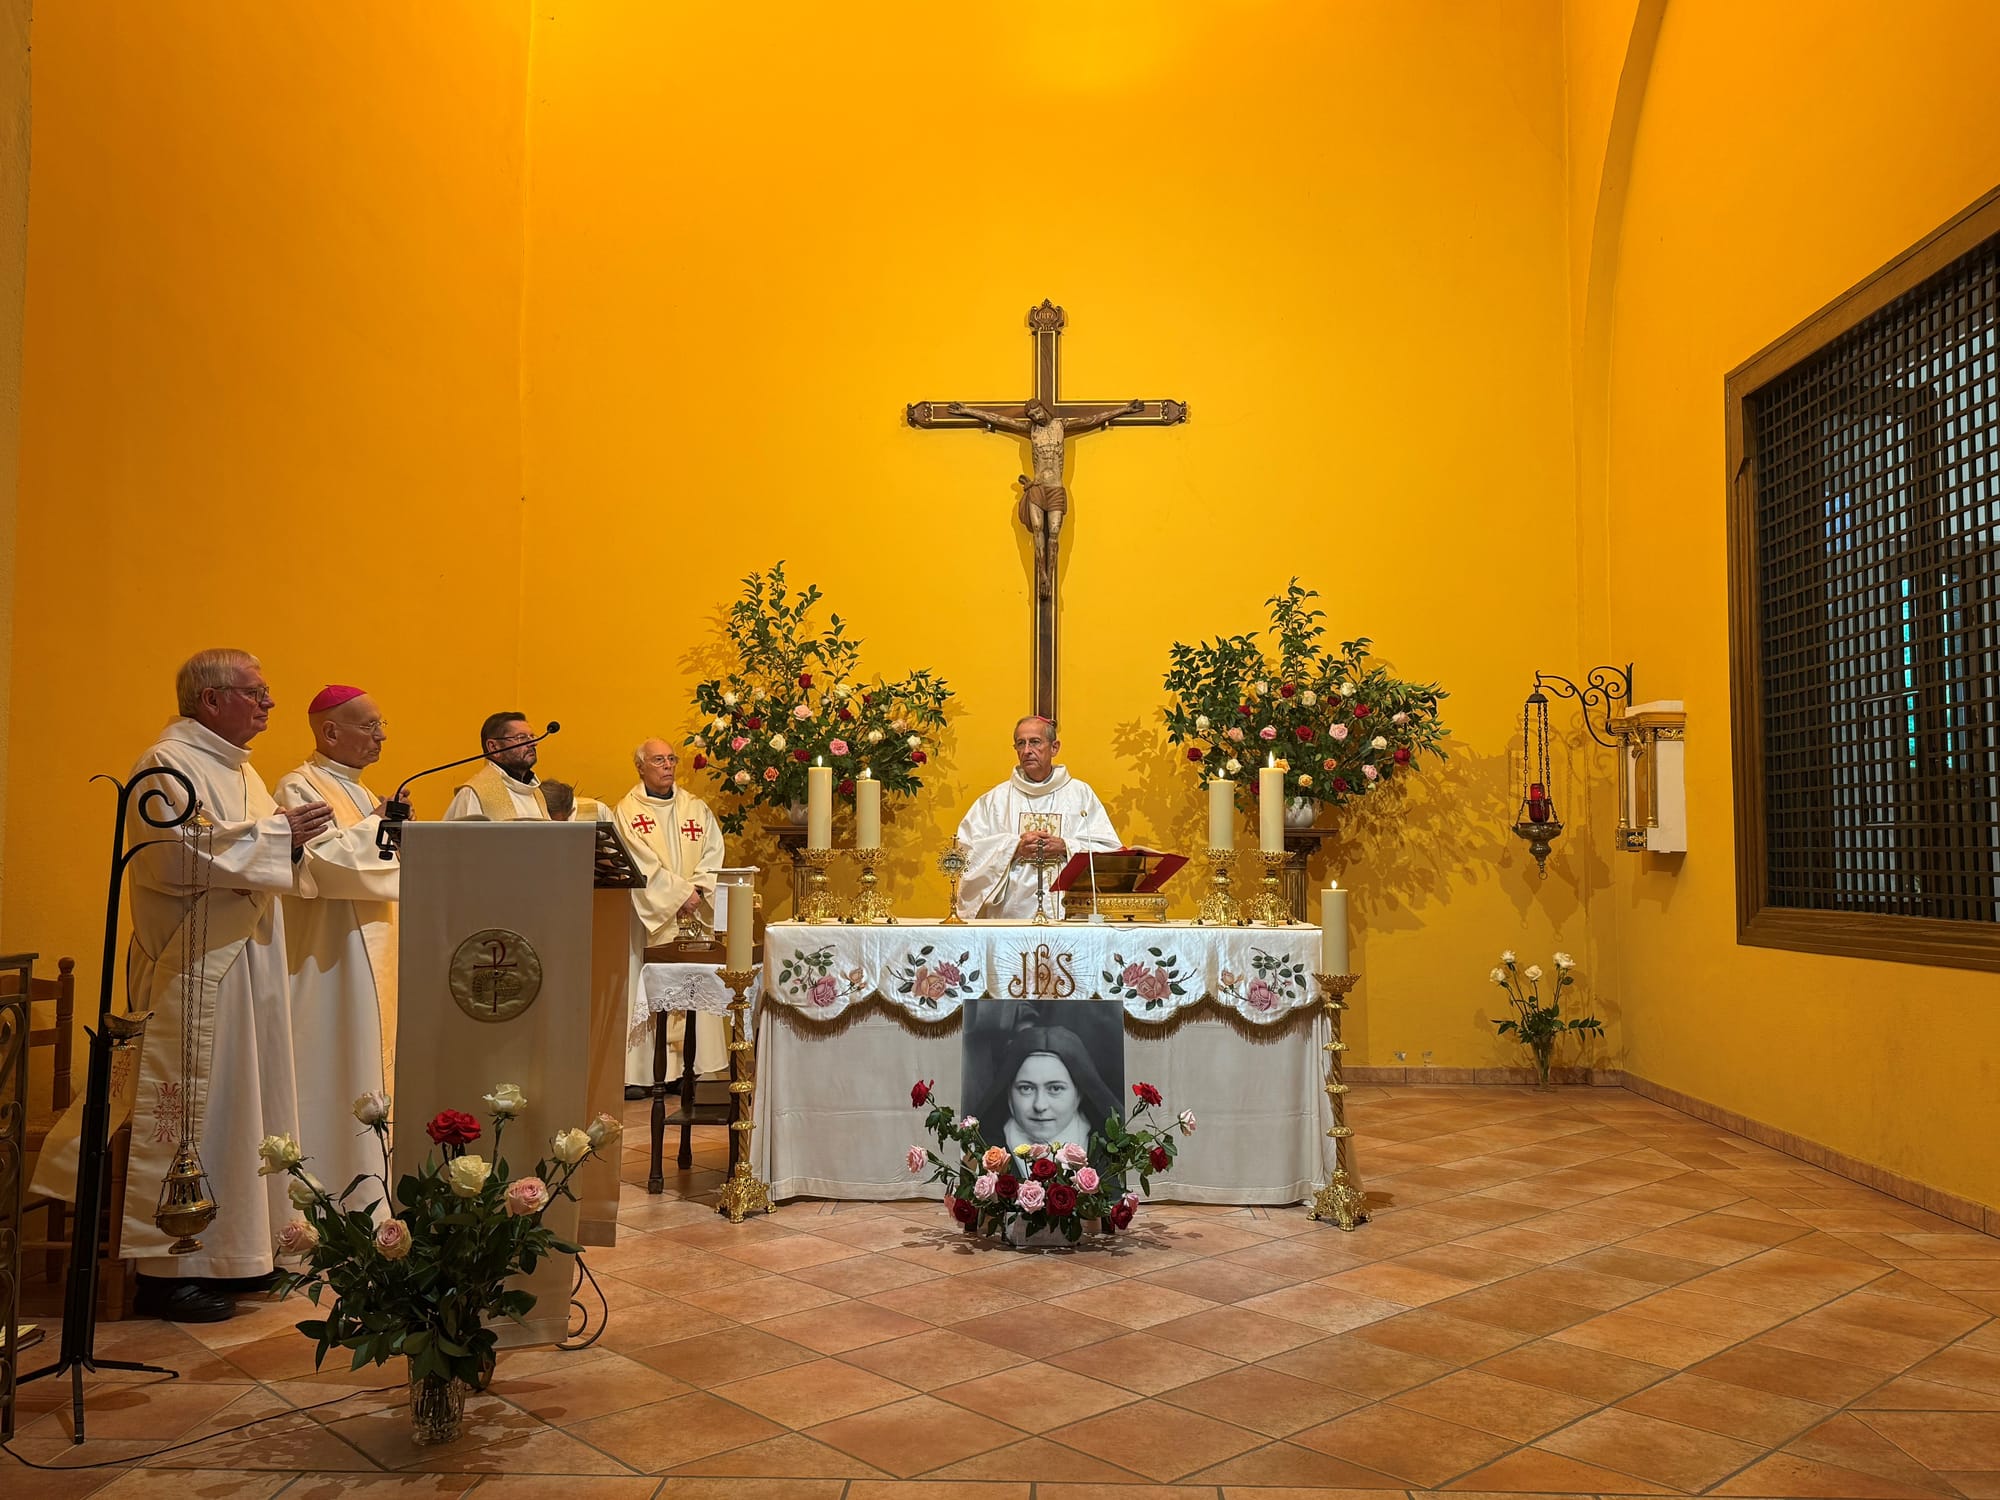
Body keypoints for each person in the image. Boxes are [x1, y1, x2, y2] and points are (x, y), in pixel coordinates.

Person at [32, 650, 335, 1322]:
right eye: (256, 691)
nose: (269, 703)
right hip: (194, 972)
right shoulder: (165, 765)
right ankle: (170, 1273)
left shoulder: (243, 771)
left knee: (243, 1112)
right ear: (210, 699)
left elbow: (249, 850)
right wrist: (278, 835)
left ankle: (238, 1256)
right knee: (200, 1113)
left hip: (247, 963)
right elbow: (175, 857)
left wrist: (285, 838)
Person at [274, 685, 401, 1221]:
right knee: (337, 1069)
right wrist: (385, 828)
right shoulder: (298, 784)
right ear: (330, 732)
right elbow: (326, 865)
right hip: (331, 961)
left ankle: (376, 1197)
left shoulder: (358, 792)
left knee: (373, 1068)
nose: (381, 736)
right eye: (369, 726)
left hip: (374, 952)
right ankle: (333, 1204)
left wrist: (390, 826)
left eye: (381, 725)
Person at [617, 739, 728, 1080]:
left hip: (693, 912)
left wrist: (698, 891)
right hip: (655, 918)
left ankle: (693, 1068)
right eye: (658, 760)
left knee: (696, 983)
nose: (667, 765)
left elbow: (713, 852)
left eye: (671, 759)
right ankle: (646, 1075)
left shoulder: (695, 807)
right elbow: (638, 862)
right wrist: (680, 895)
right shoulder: (627, 811)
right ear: (641, 766)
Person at [954, 716, 1120, 919]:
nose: (1026, 751)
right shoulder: (995, 800)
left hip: (1069, 912)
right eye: (1020, 743)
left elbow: (1110, 852)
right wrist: (1013, 847)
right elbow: (966, 852)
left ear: (1054, 747)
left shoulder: (1080, 794)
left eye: (1035, 742)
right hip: (1010, 915)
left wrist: (1065, 846)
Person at [974, 1023, 1121, 1155]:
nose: (1040, 1105)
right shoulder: (976, 1151)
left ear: (1079, 1094)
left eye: (1056, 1088)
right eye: (1026, 1088)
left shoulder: (1112, 1154)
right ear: (1008, 1093)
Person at [444, 712, 549, 820]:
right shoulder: (474, 794)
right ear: (494, 747)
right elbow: (464, 836)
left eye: (531, 736)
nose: (533, 743)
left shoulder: (536, 793)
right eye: (521, 737)